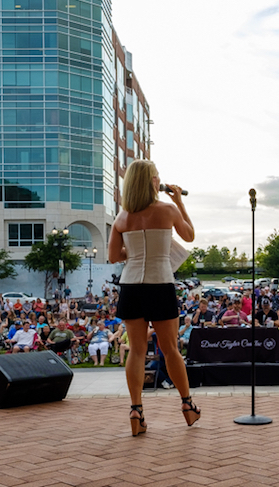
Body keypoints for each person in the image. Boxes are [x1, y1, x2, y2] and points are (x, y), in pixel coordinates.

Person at [107, 159, 198, 436]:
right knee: (170, 349)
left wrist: (133, 253)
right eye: (156, 176)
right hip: (160, 283)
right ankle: (187, 405)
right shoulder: (167, 210)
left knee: (135, 351)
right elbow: (190, 235)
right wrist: (180, 201)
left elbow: (113, 257)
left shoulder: (122, 219)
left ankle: (136, 410)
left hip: (132, 285)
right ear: (151, 182)